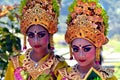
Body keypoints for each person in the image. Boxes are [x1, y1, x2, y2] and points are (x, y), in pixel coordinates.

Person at [5, 0, 68, 80]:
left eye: (41, 35)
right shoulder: (15, 63)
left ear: (50, 35)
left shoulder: (59, 66)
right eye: (31, 35)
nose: (36, 40)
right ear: (27, 38)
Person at [57, 0, 117, 80]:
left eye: (86, 49)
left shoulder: (108, 78)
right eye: (75, 49)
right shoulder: (64, 75)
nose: (80, 55)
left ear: (97, 47)